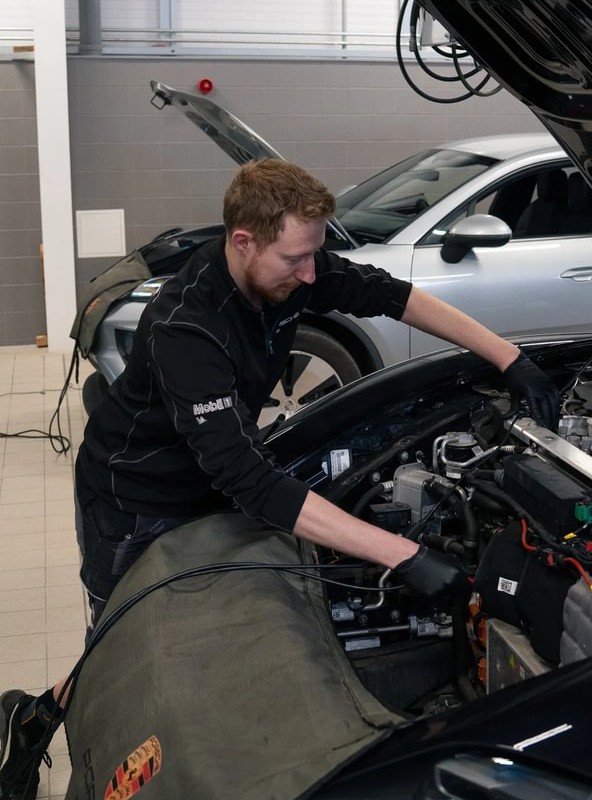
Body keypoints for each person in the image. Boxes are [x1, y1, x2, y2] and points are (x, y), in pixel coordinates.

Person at [0, 158, 559, 800]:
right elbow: (247, 478)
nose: (311, 273)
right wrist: (404, 555)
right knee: (129, 645)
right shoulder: (188, 324)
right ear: (244, 242)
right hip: (135, 498)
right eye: (295, 259)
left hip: (209, 477)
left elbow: (392, 295)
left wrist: (509, 357)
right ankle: (37, 724)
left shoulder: (293, 272)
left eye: (314, 255)